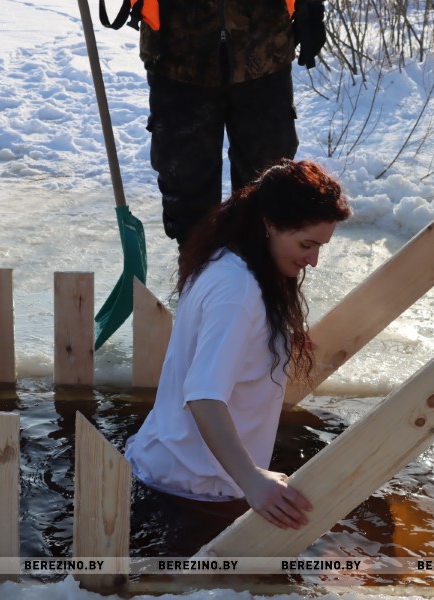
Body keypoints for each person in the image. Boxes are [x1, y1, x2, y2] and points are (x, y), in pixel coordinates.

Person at [125, 159, 350, 553]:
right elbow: (203, 396)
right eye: (307, 244)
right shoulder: (237, 292)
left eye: (320, 247)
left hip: (176, 470)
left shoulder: (227, 261)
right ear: (269, 224)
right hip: (192, 490)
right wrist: (252, 480)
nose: (313, 260)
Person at [137, 0, 327, 247]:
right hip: (177, 53)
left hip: (264, 47)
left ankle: (261, 264)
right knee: (187, 190)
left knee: (268, 184)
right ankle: (197, 264)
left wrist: (311, 6)